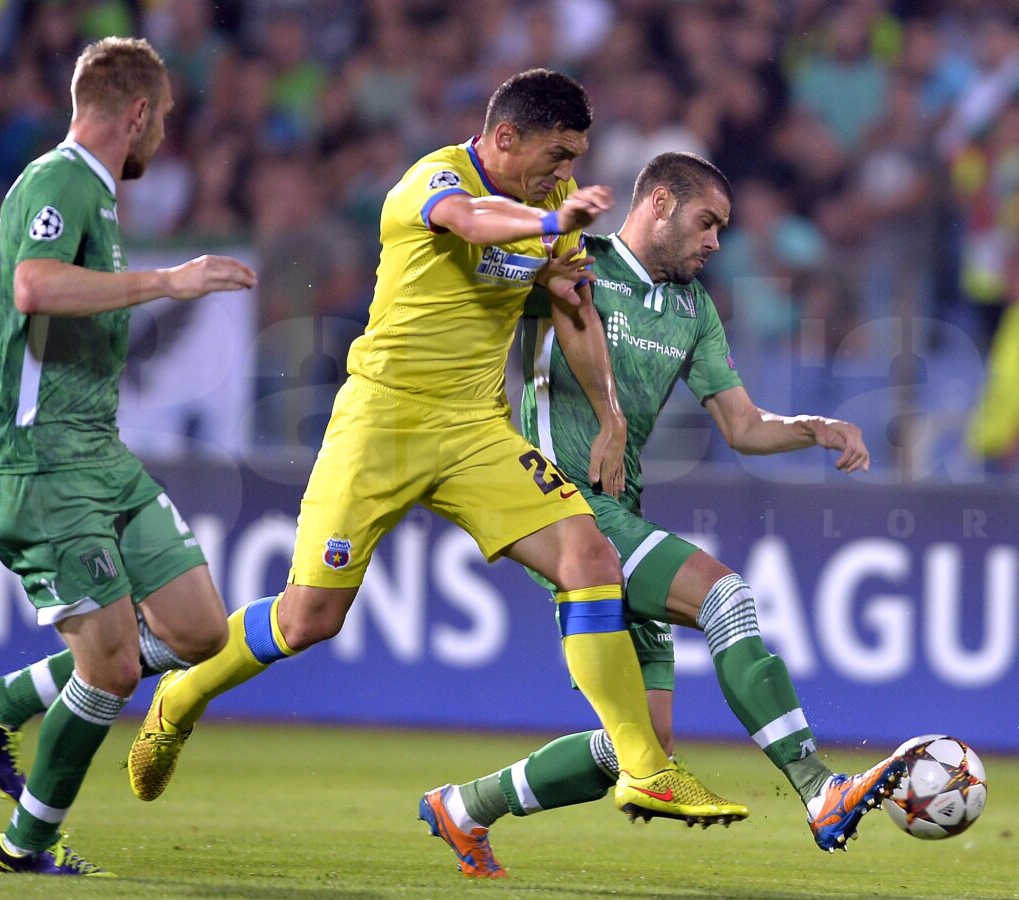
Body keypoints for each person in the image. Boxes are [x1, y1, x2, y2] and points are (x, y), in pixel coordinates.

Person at [128, 69, 743, 832]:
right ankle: (180, 697)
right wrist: (550, 228)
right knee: (311, 617)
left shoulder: (556, 201)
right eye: (555, 155)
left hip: (475, 427)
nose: (564, 174)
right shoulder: (432, 181)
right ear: (505, 138)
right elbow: (477, 223)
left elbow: (573, 306)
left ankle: (646, 768)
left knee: (591, 560)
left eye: (574, 157)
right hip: (382, 422)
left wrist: (611, 416)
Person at [421, 152, 906, 879]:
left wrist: (815, 426)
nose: (715, 243)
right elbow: (470, 283)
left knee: (639, 744)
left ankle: (463, 808)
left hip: (619, 511)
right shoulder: (573, 262)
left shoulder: (693, 309)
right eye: (706, 223)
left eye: (722, 229)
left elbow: (741, 425)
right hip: (559, 509)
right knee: (727, 598)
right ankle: (820, 788)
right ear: (656, 205)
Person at [0, 37, 256, 877]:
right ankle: (28, 842)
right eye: (165, 122)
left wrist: (25, 395)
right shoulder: (61, 179)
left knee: (198, 631)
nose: (163, 139)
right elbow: (33, 289)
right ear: (139, 112)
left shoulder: (95, 196)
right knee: (116, 666)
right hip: (47, 470)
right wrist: (167, 282)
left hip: (95, 452)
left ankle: (7, 698)